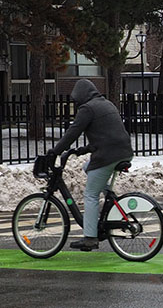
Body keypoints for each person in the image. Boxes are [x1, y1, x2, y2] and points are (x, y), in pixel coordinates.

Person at [48, 79, 133, 251]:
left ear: (81, 96)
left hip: (107, 155)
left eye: (76, 99)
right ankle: (110, 196)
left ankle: (90, 238)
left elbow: (73, 131)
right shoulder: (106, 104)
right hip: (123, 151)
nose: (76, 102)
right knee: (87, 167)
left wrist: (55, 151)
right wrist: (84, 149)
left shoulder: (87, 108)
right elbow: (106, 133)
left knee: (91, 194)